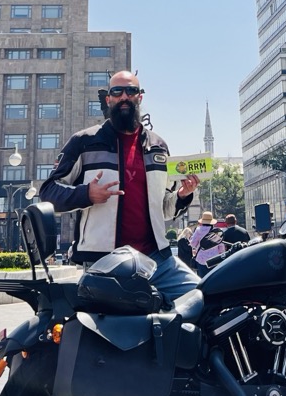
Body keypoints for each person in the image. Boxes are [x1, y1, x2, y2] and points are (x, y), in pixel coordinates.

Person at [40, 71, 200, 303]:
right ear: (109, 99)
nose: (124, 96)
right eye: (117, 91)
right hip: (104, 264)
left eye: (131, 91)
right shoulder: (84, 142)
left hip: (158, 260)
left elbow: (165, 209)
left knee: (202, 297)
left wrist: (183, 195)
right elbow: (48, 192)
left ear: (139, 98)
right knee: (110, 331)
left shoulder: (158, 146)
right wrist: (86, 194)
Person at [190, 211, 225, 275]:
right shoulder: (216, 231)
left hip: (201, 259)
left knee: (202, 280)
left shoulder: (198, 230)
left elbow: (193, 244)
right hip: (214, 259)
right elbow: (221, 246)